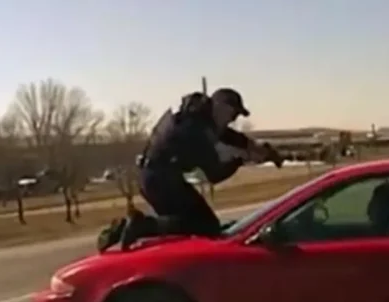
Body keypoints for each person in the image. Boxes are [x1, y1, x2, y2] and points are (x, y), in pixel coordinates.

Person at [97, 88, 281, 252]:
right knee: (205, 225)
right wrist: (243, 159)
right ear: (221, 107)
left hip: (157, 176)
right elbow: (215, 174)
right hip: (159, 181)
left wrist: (255, 146)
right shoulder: (195, 131)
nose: (232, 121)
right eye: (233, 115)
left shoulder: (197, 116)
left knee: (190, 225)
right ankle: (141, 225)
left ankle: (124, 229)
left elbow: (228, 135)